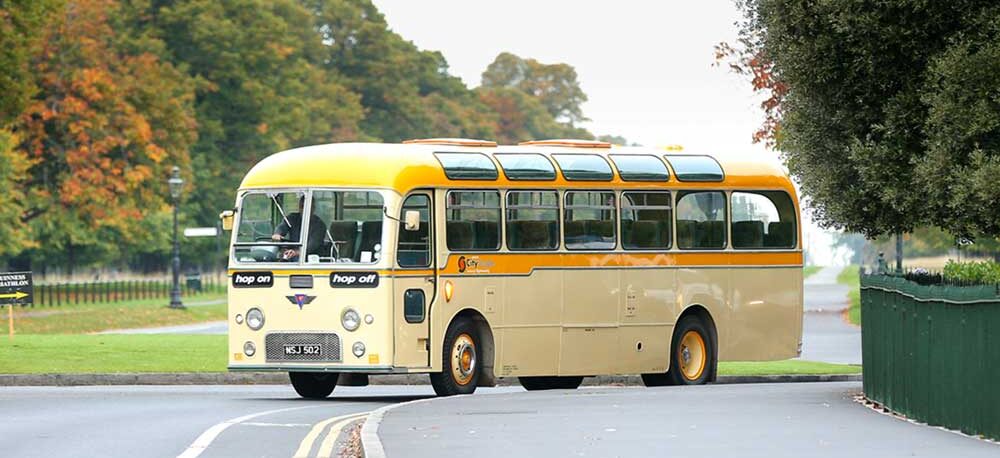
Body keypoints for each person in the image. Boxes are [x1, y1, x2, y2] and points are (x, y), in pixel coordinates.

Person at [271, 196, 326, 261]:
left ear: (313, 208)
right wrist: (277, 234)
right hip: (292, 257)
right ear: (299, 207)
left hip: (311, 260)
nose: (304, 209)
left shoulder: (319, 225)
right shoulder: (292, 218)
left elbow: (312, 245)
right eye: (302, 206)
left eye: (308, 207)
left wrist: (296, 252)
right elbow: (283, 226)